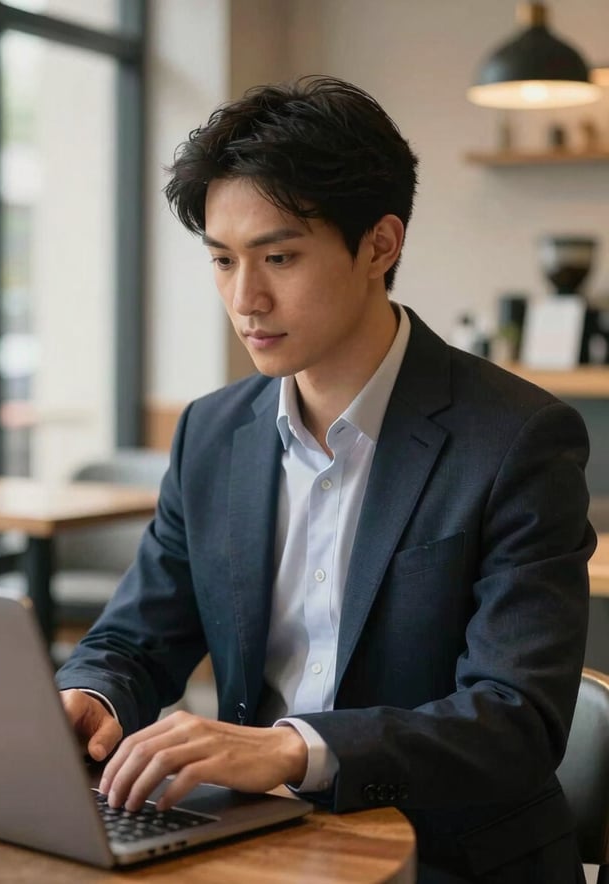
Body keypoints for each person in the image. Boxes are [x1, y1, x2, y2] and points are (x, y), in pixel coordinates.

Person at [56, 76, 595, 882]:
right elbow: (136, 638)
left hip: (446, 859)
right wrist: (92, 698)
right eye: (222, 260)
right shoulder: (212, 431)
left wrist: (288, 748)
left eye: (278, 257)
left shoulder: (518, 437)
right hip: (255, 848)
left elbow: (514, 718)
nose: (246, 300)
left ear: (380, 244)